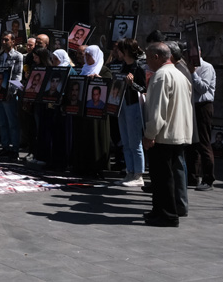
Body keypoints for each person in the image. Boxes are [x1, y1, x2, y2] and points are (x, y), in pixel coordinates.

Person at [142, 42, 193, 227]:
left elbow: (158, 111)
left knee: (163, 177)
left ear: (156, 57)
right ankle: (159, 211)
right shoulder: (179, 75)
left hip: (165, 135)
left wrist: (149, 134)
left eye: (148, 57)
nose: (146, 62)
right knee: (163, 176)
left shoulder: (161, 76)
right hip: (177, 133)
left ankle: (168, 215)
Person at [71, 45, 112, 177]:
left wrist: (99, 79)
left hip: (97, 112)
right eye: (86, 55)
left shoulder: (104, 70)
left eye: (89, 55)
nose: (86, 57)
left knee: (95, 137)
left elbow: (109, 86)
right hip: (83, 111)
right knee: (82, 137)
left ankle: (96, 167)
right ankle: (81, 165)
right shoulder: (84, 69)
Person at [113, 38, 147, 187]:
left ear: (126, 51)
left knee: (135, 141)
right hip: (122, 104)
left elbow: (144, 89)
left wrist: (132, 84)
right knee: (125, 141)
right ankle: (130, 171)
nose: (118, 53)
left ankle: (139, 174)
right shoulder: (122, 66)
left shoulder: (138, 67)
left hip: (133, 105)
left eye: (120, 50)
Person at [186, 48, 217, 191]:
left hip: (203, 106)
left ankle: (208, 178)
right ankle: (192, 176)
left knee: (204, 143)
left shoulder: (206, 67)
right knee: (192, 143)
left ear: (199, 53)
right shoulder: (187, 67)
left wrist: (193, 73)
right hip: (191, 105)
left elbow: (203, 88)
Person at [0, 31, 23, 160]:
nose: (4, 42)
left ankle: (14, 148)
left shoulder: (18, 56)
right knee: (2, 122)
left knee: (12, 123)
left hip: (9, 94)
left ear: (13, 41)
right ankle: (5, 147)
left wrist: (11, 92)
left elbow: (18, 76)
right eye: (3, 40)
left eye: (6, 40)